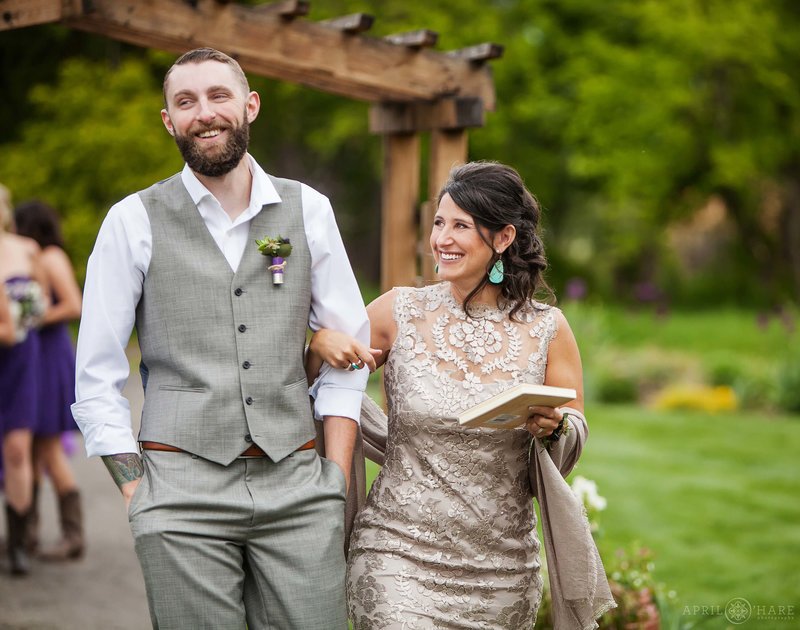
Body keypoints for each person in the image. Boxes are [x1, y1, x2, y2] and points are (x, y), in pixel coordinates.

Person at [71, 48, 369, 628]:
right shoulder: (132, 220)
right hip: (178, 490)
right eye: (185, 102)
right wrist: (140, 496)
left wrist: (332, 481)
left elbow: (350, 352)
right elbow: (96, 375)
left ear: (249, 105)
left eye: (218, 96)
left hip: (298, 486)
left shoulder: (309, 210)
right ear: (169, 121)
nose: (204, 113)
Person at [309, 161, 615, 629]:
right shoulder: (398, 311)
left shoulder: (549, 329)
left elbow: (573, 428)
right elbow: (316, 377)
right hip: (396, 555)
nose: (442, 239)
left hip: (503, 572)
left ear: (504, 238)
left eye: (461, 226)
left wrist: (554, 428)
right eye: (438, 223)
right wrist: (318, 343)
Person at [14, 200, 85, 561]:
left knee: (49, 448)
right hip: (35, 358)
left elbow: (74, 304)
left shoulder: (52, 255)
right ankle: (26, 532)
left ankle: (73, 536)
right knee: (31, 448)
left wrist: (29, 320)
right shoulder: (33, 256)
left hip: (51, 355)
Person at [0, 183, 48, 576]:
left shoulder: (27, 249)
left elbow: (44, 302)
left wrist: (21, 320)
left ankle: (19, 541)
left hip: (19, 356)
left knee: (18, 448)